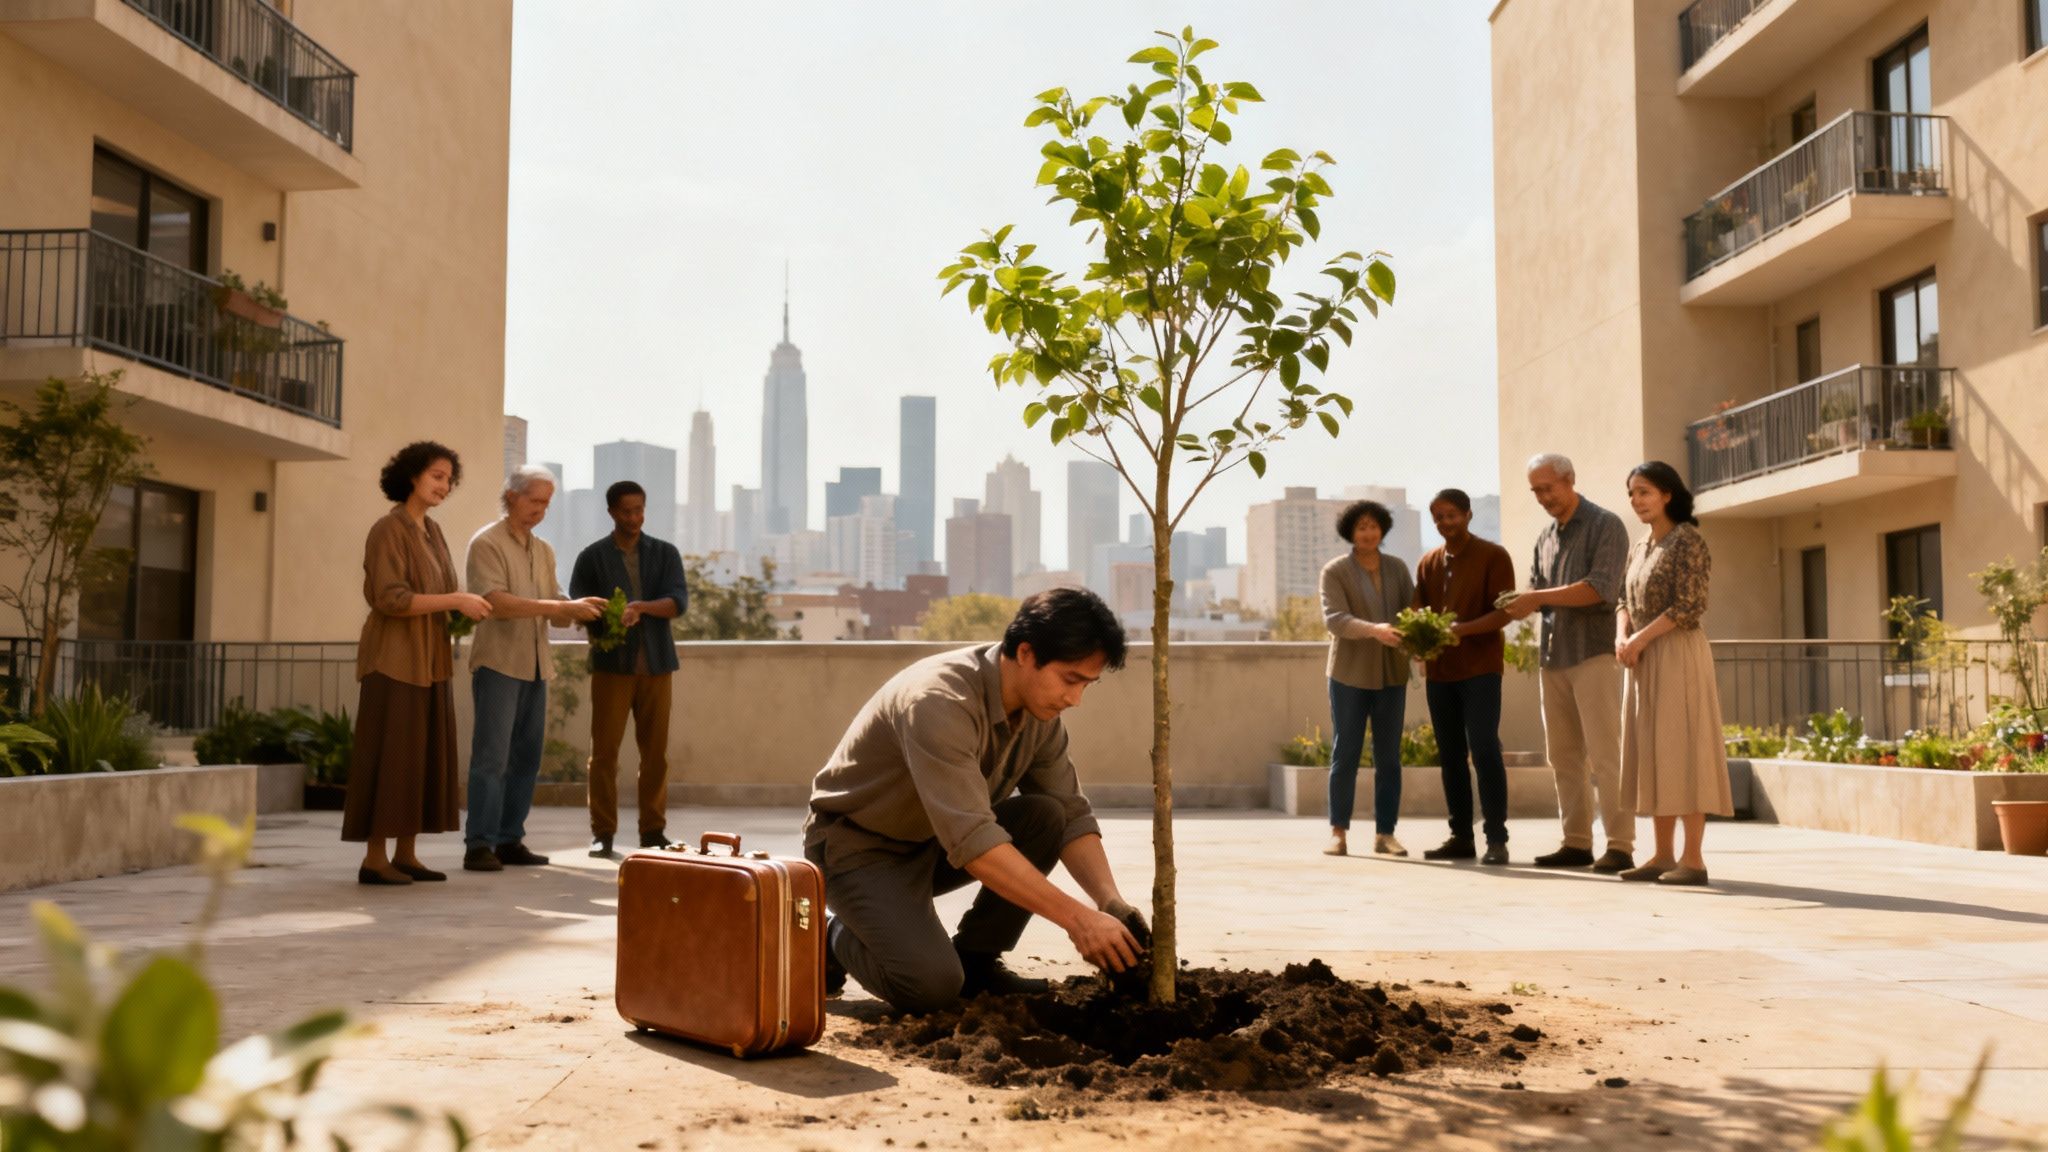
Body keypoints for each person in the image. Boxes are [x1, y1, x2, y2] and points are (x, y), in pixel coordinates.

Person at [803, 588, 1146, 1013]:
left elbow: (1073, 815)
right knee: (930, 987)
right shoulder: (938, 701)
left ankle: (978, 960)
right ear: (1025, 652)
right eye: (1070, 679)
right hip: (857, 851)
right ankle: (834, 935)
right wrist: (1079, 921)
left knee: (1046, 816)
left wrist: (1110, 903)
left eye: (1087, 685)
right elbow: (973, 841)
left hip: (931, 844)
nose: (1075, 699)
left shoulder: (1040, 715)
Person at [344, 441, 490, 885]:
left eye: (449, 479)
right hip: (394, 659)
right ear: (412, 476)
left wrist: (460, 608)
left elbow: (439, 593)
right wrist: (456, 599)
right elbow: (391, 598)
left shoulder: (434, 532)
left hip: (430, 660)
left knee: (420, 757)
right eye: (437, 476)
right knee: (390, 756)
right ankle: (374, 858)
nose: (445, 486)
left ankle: (406, 853)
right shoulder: (387, 530)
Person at [460, 465, 605, 874]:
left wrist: (587, 610)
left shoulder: (542, 549)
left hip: (537, 666)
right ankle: (479, 844)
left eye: (546, 503)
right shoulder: (486, 543)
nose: (540, 510)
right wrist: (559, 607)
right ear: (511, 498)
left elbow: (554, 607)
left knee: (526, 758)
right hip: (499, 664)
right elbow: (496, 602)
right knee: (491, 757)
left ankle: (509, 839)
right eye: (533, 501)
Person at [1504, 453, 1636, 872]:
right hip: (1552, 655)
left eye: (1548, 488)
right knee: (1562, 754)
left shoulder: (1606, 525)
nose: (1543, 497)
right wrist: (1521, 601)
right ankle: (1576, 842)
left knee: (1604, 754)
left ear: (1570, 480)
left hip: (1593, 653)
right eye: (1536, 491)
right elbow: (1538, 588)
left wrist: (1537, 598)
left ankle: (1620, 844)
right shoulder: (1545, 536)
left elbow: (1601, 588)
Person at [1614, 462, 1733, 886]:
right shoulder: (1640, 545)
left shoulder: (1688, 541)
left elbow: (1689, 606)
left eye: (1644, 492)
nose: (1636, 501)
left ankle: (1693, 859)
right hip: (1640, 657)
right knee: (1653, 752)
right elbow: (1621, 600)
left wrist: (1641, 639)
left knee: (1684, 749)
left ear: (1667, 494)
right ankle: (1662, 855)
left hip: (1676, 653)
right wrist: (1622, 636)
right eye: (1631, 494)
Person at [569, 480, 688, 857]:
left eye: (639, 510)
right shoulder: (592, 557)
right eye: (626, 511)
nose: (634, 518)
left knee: (655, 754)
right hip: (610, 667)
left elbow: (678, 602)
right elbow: (577, 607)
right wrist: (608, 618)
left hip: (657, 665)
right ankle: (602, 833)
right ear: (611, 512)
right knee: (603, 753)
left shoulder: (665, 553)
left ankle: (653, 831)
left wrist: (640, 608)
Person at [1413, 489, 1517, 866]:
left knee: (1485, 748)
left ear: (1469, 515)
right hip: (1440, 673)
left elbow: (1505, 613)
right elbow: (1417, 614)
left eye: (1451, 515)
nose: (1445, 523)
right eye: (1438, 517)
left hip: (1481, 670)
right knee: (1451, 754)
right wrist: (1416, 642)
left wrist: (1464, 630)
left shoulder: (1493, 555)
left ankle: (1496, 838)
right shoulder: (1428, 563)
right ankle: (1460, 835)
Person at [1318, 500, 1415, 858]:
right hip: (1349, 673)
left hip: (1392, 672)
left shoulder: (1398, 568)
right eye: (1361, 528)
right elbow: (1334, 619)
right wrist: (1374, 630)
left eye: (1374, 526)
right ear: (1350, 532)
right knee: (1346, 753)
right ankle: (1338, 832)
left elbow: (1413, 610)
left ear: (1383, 529)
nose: (1368, 533)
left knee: (1389, 757)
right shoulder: (1336, 570)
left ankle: (1385, 833)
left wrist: (1419, 638)